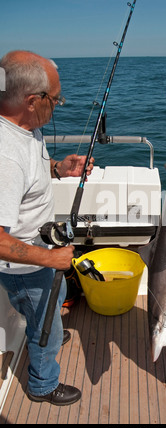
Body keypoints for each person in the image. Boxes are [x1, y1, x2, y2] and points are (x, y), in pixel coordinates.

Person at [0, 50, 94, 406]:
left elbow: (27, 179)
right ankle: (42, 384)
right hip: (25, 265)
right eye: (56, 99)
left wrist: (58, 168)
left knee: (43, 312)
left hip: (32, 257)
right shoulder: (6, 155)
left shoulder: (24, 129)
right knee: (46, 327)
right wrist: (49, 258)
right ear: (31, 101)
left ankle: (45, 325)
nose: (58, 105)